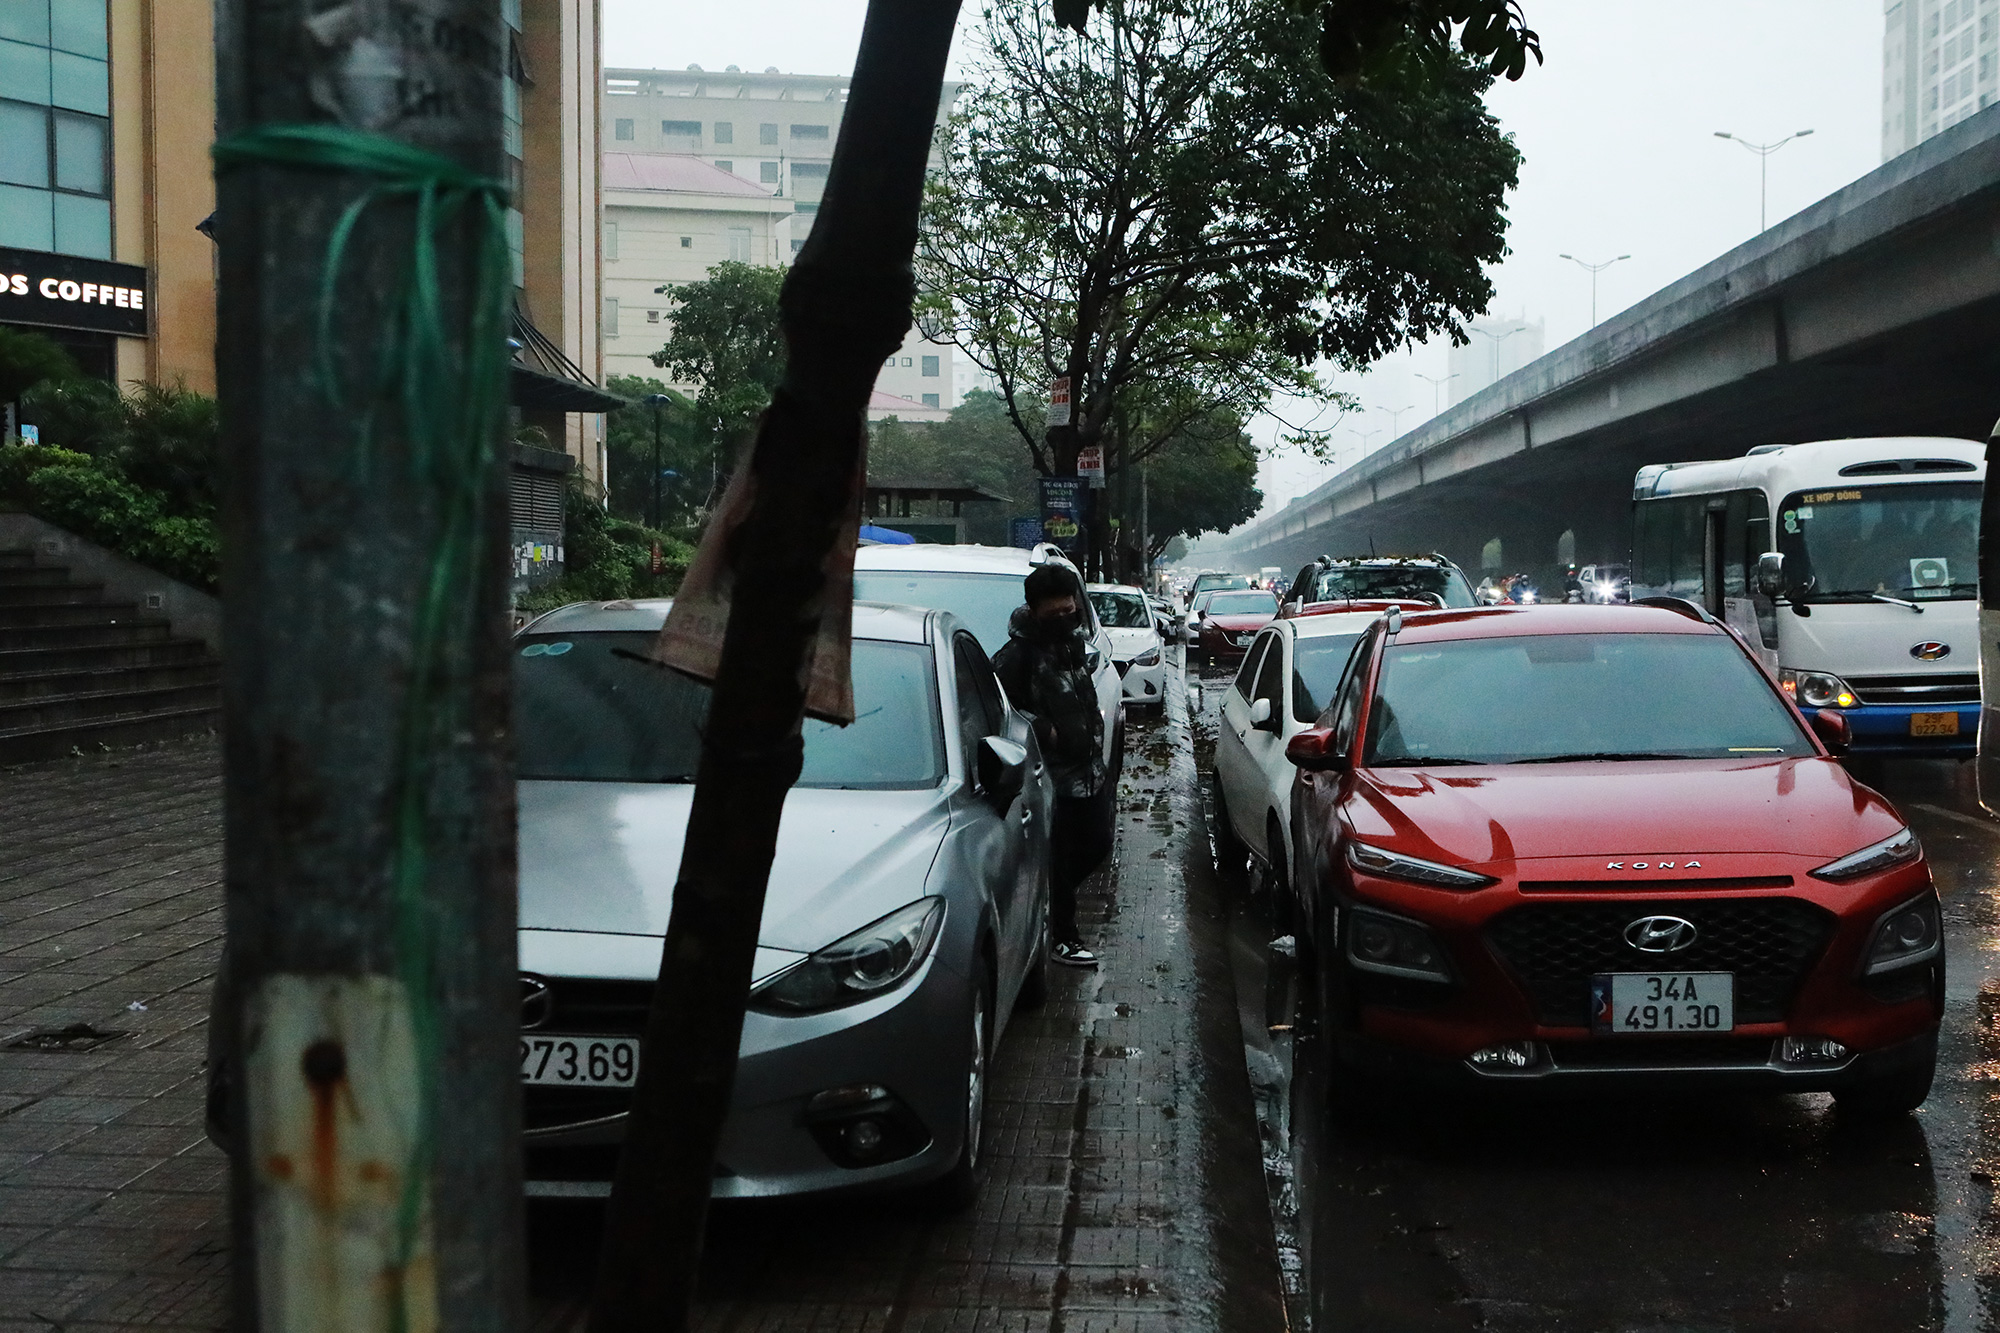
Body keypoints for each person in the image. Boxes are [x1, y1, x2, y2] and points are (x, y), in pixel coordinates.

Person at [993, 564, 1108, 968]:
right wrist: (1048, 732)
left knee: (1098, 845)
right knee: (1060, 856)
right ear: (1034, 609)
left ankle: (1046, 904)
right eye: (1054, 613)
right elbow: (999, 711)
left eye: (1069, 610)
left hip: (1090, 772)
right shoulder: (1018, 655)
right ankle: (1062, 934)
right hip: (1049, 782)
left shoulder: (1072, 644)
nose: (1064, 618)